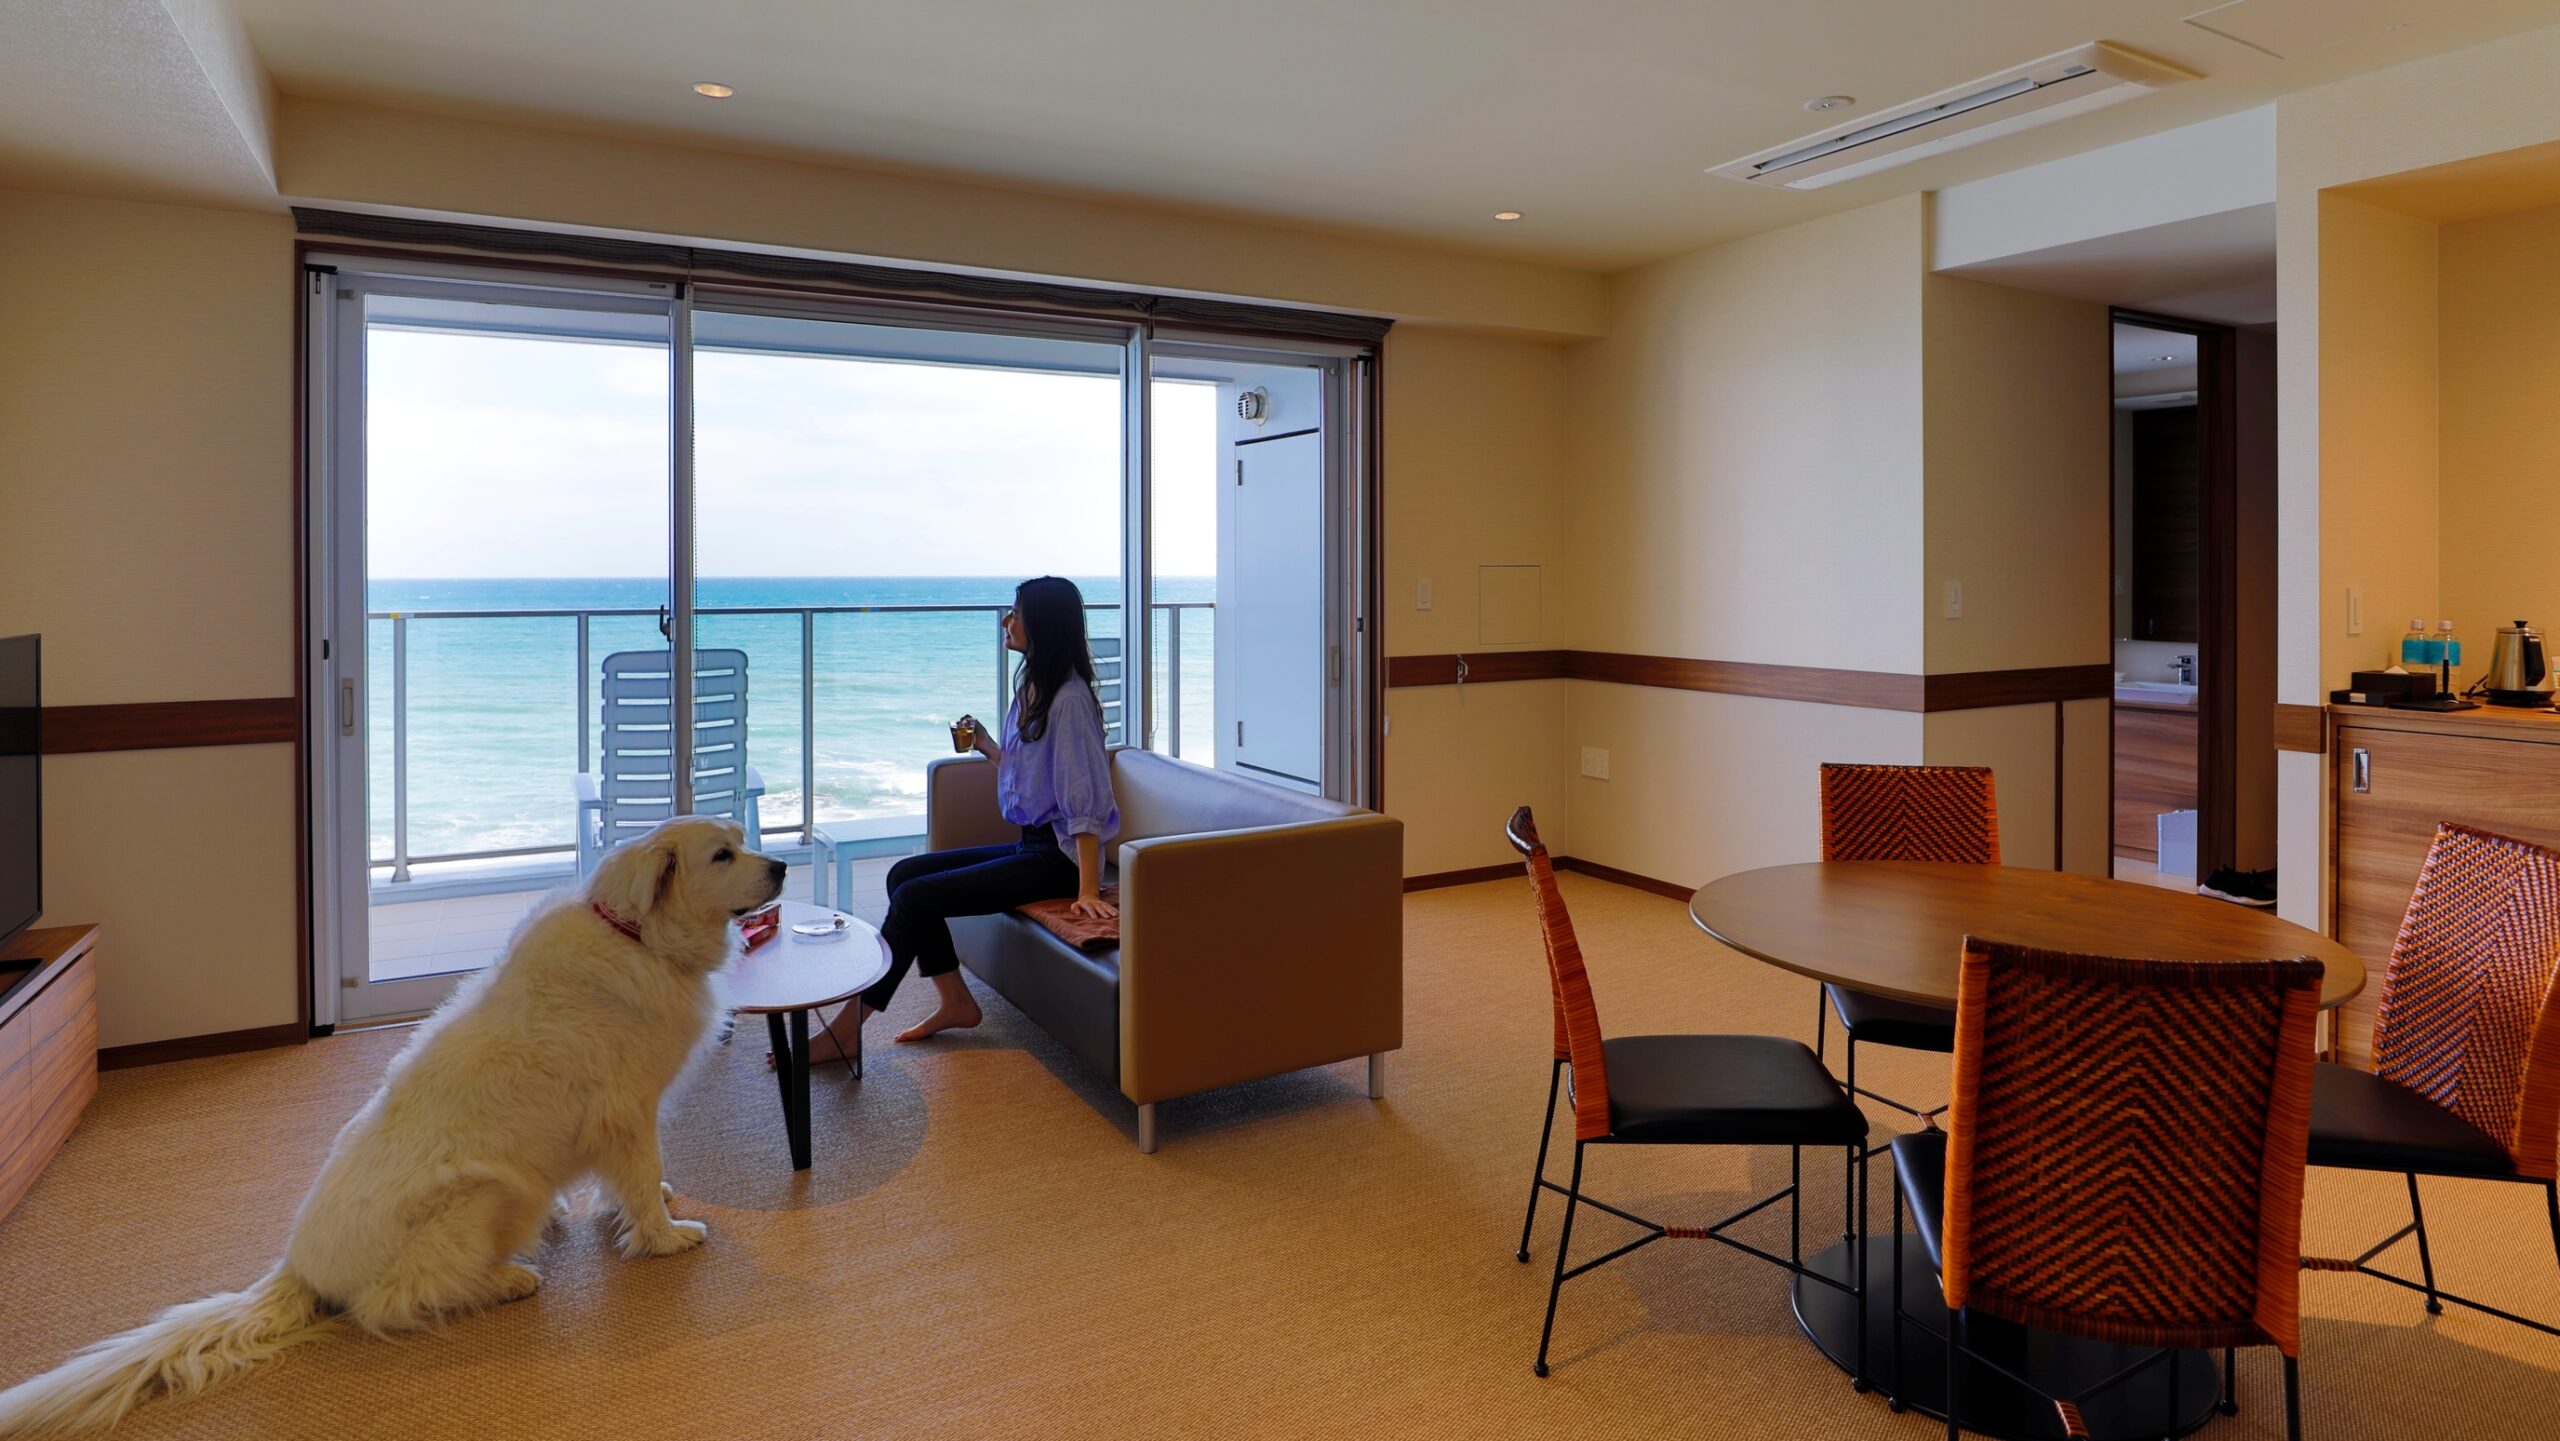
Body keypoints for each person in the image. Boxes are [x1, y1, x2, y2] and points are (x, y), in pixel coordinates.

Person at [808, 575, 1119, 1055]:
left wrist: (1087, 889)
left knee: (915, 897)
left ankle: (848, 1030)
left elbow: (1085, 799)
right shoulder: (1037, 687)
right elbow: (1033, 776)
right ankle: (955, 1001)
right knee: (903, 874)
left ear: (1043, 624)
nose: (1006, 621)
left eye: (1016, 613)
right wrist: (987, 745)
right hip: (1034, 844)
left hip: (1060, 859)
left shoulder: (1070, 701)